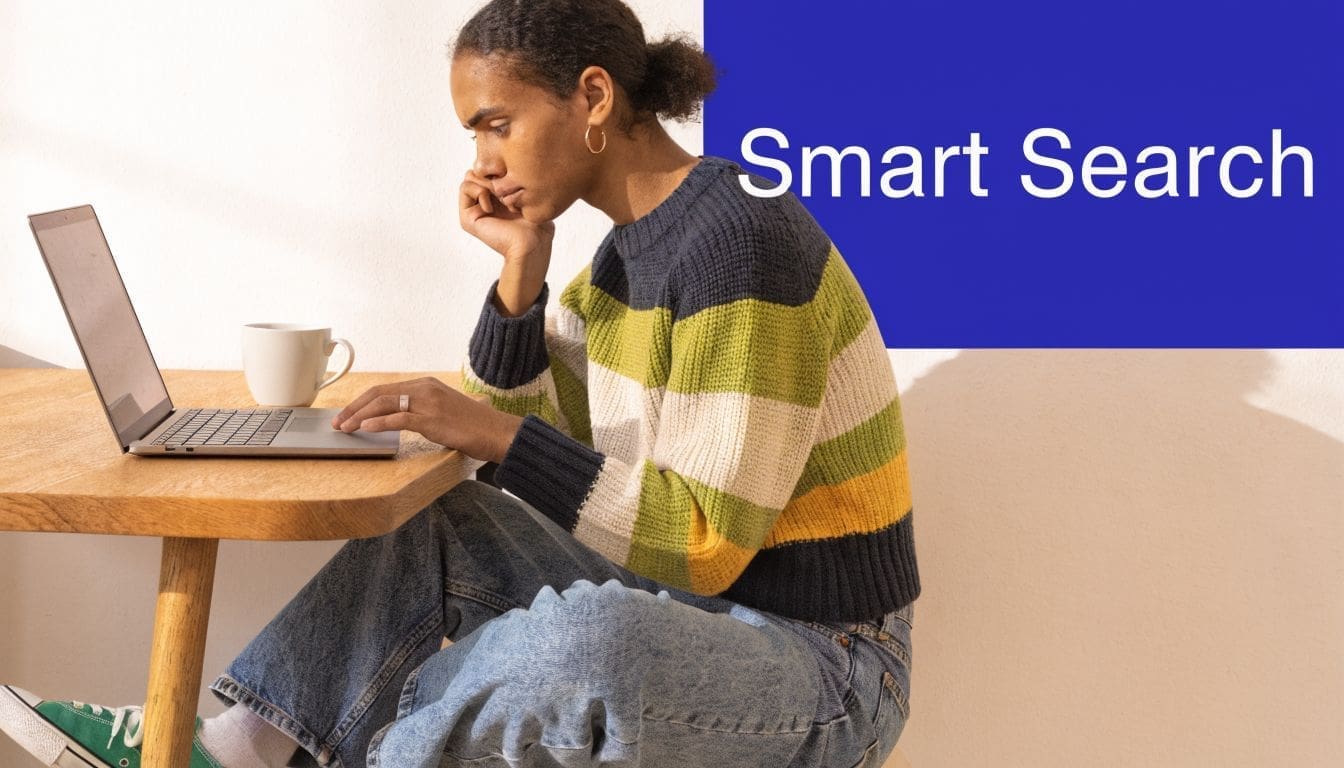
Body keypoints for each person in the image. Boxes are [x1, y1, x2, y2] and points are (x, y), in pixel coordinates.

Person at [0, 1, 920, 766]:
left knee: (576, 647)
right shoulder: (620, 263)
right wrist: (522, 268)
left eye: (496, 122)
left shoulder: (737, 243)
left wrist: (497, 437)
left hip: (823, 660)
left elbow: (704, 543)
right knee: (446, 524)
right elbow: (532, 459)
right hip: (701, 619)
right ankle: (226, 749)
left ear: (592, 97)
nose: (480, 158)